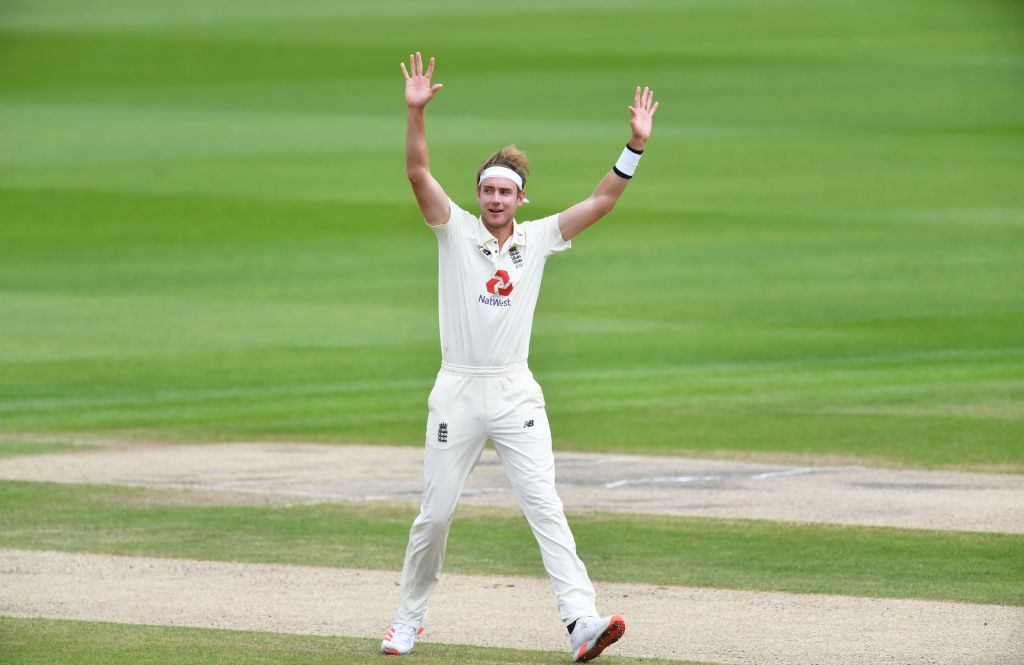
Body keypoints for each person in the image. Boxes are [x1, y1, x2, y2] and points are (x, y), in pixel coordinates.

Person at [381, 52, 658, 662]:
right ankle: (408, 620)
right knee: (434, 516)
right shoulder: (454, 228)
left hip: (514, 392)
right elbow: (417, 173)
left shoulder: (539, 238)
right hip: (458, 389)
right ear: (477, 194)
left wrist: (633, 147)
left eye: (506, 191)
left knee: (545, 507)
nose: (496, 198)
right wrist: (415, 114)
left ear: (522, 197)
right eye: (487, 189)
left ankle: (581, 621)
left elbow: (603, 200)